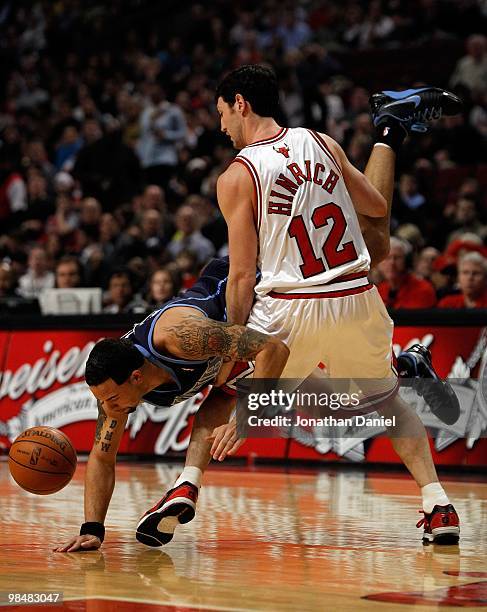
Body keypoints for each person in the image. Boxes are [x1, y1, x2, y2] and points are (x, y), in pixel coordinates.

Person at [212, 66, 462, 544]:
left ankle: (185, 488)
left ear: (240, 102)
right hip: (356, 295)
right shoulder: (321, 141)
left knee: (230, 401)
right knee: (379, 403)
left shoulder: (238, 174)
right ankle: (438, 502)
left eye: (222, 113)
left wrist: (235, 349)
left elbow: (242, 276)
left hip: (294, 307)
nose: (221, 126)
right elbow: (376, 207)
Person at [53, 257, 290, 552]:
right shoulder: (115, 387)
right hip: (231, 338)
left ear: (136, 377)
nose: (107, 406)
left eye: (110, 398)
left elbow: (273, 349)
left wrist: (249, 417)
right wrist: (92, 529)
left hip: (262, 276)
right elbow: (102, 458)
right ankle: (187, 484)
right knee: (223, 393)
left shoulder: (183, 337)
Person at [377, 237, 437, 308]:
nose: (392, 263)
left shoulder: (423, 290)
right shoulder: (378, 291)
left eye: (397, 258)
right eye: (387, 258)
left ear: (407, 261)